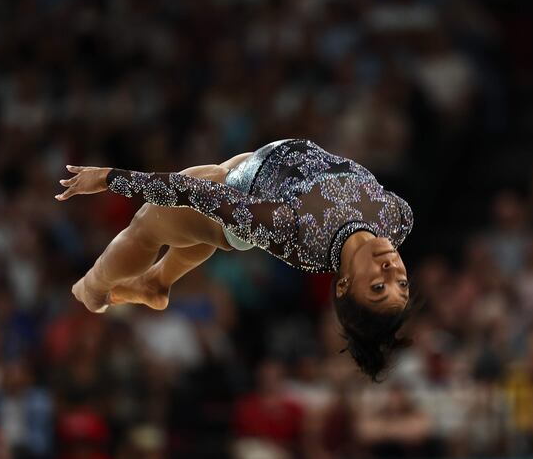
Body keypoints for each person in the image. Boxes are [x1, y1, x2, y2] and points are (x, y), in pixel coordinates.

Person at [55, 139, 415, 380]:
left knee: (148, 226)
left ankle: (92, 289)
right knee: (194, 232)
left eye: (378, 286)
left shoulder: (298, 233)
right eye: (401, 284)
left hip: (237, 191)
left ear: (344, 285)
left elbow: (196, 194)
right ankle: (156, 283)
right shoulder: (399, 218)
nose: (392, 269)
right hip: (259, 174)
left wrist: (109, 178)